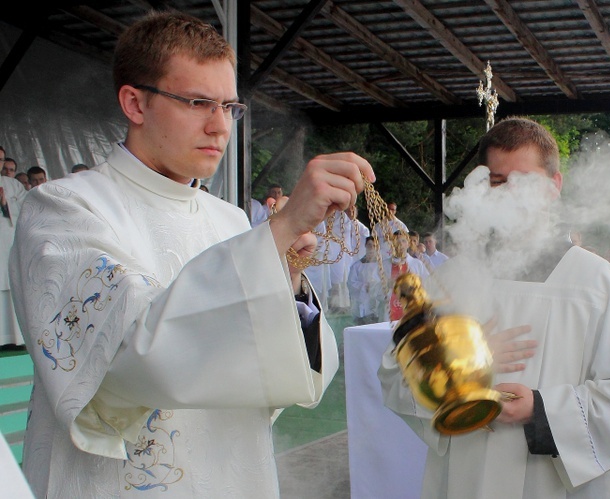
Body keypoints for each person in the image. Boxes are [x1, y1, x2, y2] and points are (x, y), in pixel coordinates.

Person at [9, 11, 375, 498]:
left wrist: (282, 277)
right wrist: (275, 234)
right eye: (198, 102)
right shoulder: (62, 208)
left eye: (229, 107)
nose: (220, 126)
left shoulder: (229, 221)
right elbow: (126, 356)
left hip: (231, 474)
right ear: (135, 103)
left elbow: (279, 375)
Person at [379, 116, 610, 499]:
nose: (510, 194)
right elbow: (396, 377)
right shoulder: (452, 279)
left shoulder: (595, 283)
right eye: (497, 181)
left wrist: (543, 410)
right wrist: (456, 359)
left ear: (554, 186)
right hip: (467, 475)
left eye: (525, 182)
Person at [0, 174, 27, 347]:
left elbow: (27, 209)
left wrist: (5, 205)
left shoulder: (13, 184)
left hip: (8, 241)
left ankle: (16, 338)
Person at [348, 236, 387, 324]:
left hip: (376, 302)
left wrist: (375, 286)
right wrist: (364, 286)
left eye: (374, 245)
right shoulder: (357, 265)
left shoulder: (383, 265)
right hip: (361, 301)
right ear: (365, 246)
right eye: (369, 245)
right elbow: (351, 283)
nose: (371, 248)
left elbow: (386, 281)